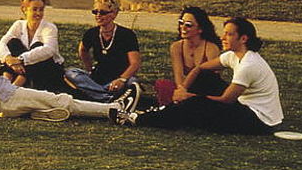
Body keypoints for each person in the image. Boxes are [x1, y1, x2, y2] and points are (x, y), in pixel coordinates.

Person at [0, 3, 120, 123]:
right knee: (62, 100)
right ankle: (112, 109)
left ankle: (37, 112)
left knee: (49, 101)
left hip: (2, 98)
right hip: (5, 98)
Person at [118, 17, 281, 134]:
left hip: (259, 121)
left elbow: (226, 100)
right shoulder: (233, 56)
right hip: (243, 106)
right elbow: (199, 69)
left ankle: (136, 118)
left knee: (195, 104)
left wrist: (189, 96)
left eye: (229, 34)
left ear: (243, 38)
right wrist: (182, 89)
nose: (222, 38)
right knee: (204, 79)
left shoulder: (249, 65)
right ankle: (173, 109)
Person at [65, 0, 141, 102]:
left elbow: (135, 63)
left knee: (133, 82)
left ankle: (95, 94)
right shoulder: (91, 33)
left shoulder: (127, 34)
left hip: (119, 77)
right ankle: (106, 97)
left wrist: (121, 79)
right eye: (95, 12)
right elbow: (82, 50)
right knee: (70, 72)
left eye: (103, 12)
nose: (98, 15)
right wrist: (89, 68)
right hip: (98, 77)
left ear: (114, 14)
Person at [0, 0, 69, 93]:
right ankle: (5, 81)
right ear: (24, 9)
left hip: (48, 67)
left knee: (38, 46)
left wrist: (21, 59)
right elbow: (2, 43)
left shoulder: (50, 27)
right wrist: (8, 59)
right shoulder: (18, 24)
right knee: (13, 42)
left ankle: (14, 88)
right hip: (21, 66)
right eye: (34, 9)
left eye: (41, 10)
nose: (38, 13)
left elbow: (49, 50)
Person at [163, 6, 227, 105]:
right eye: (181, 23)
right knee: (163, 85)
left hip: (205, 89)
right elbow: (178, 75)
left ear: (200, 29)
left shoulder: (211, 48)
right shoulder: (176, 47)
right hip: (184, 87)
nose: (183, 27)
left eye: (188, 25)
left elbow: (213, 79)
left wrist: (186, 94)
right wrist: (181, 92)